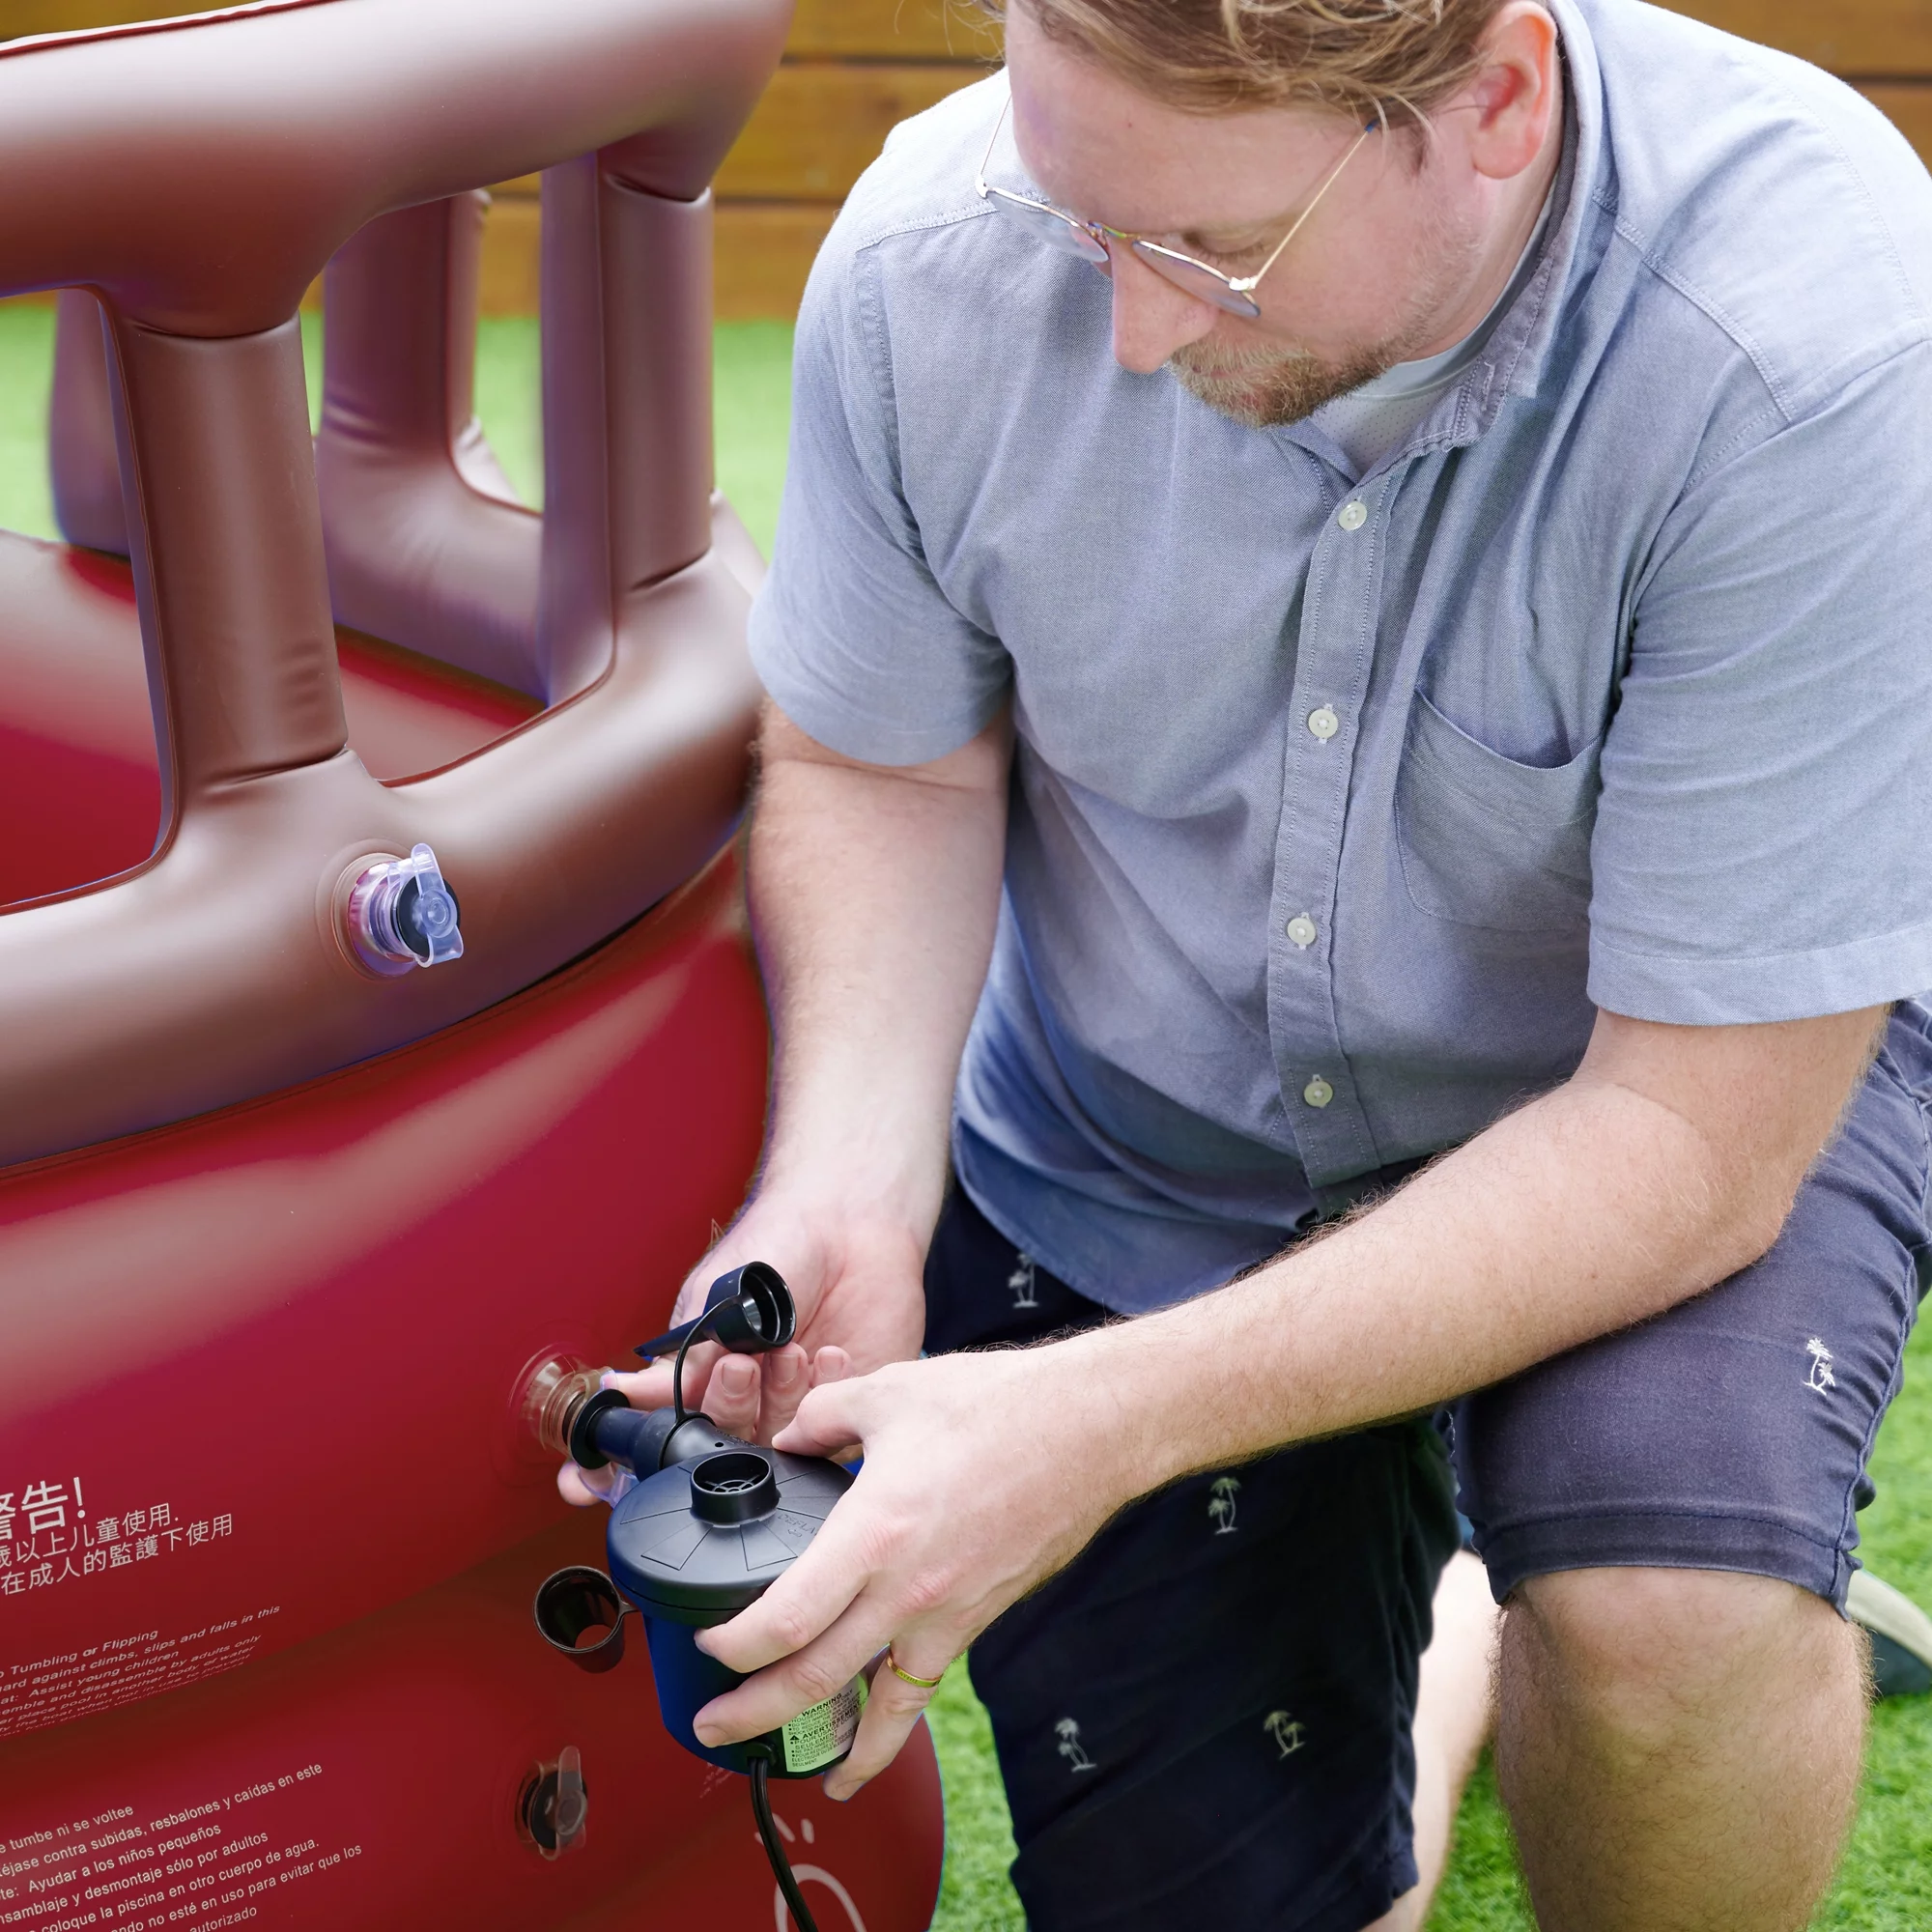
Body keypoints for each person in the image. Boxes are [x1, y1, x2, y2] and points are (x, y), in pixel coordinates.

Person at [564, 0, 1932, 1923]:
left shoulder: (1812, 334)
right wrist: (852, 1182)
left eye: (1205, 252)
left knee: (1654, 1609)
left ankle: (1574, 1554)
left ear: (1495, 101)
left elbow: (1691, 1144)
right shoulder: (932, 249)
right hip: (1137, 1116)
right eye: (1075, 218)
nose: (1127, 328)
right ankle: (1467, 1595)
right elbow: (883, 762)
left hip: (1638, 1081)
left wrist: (1090, 1423)